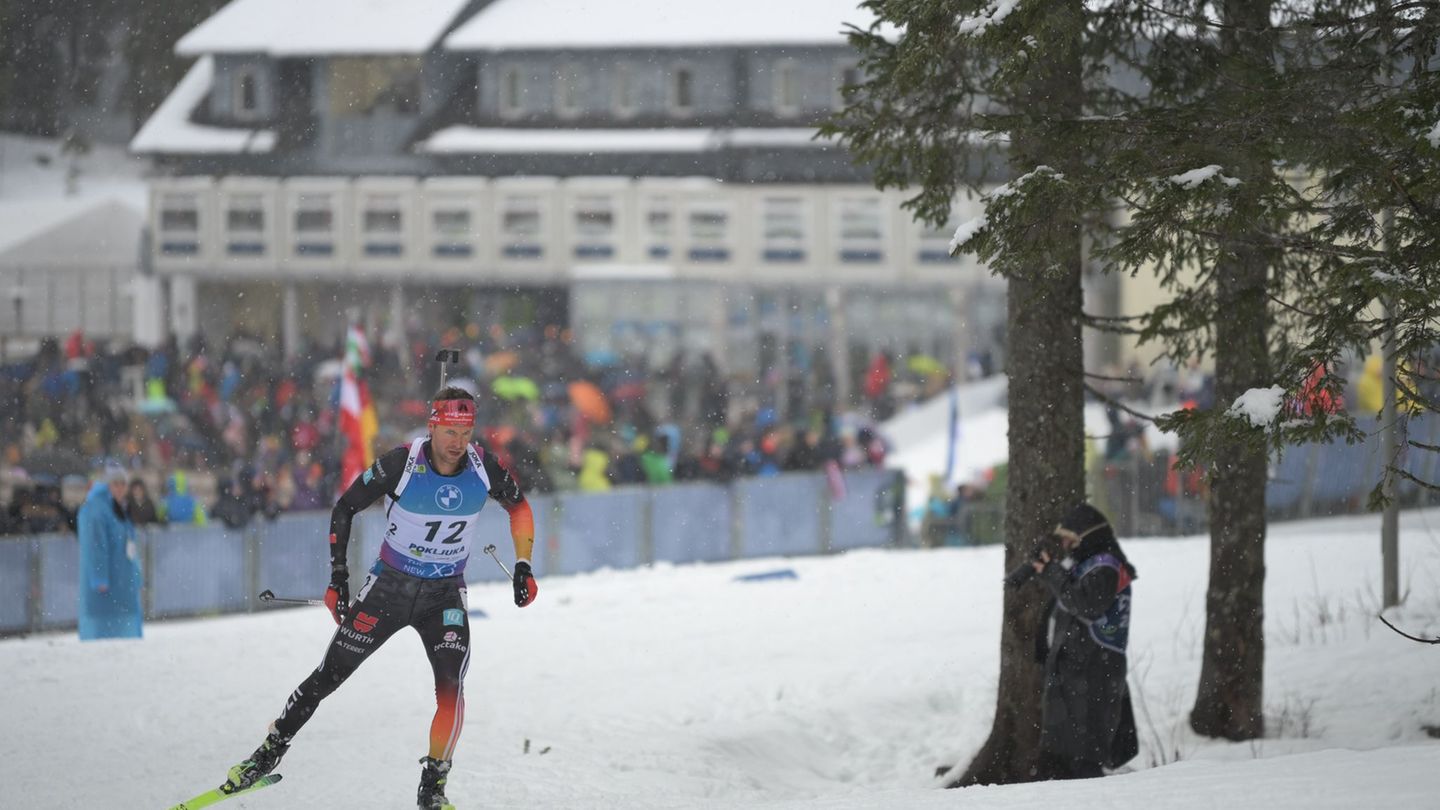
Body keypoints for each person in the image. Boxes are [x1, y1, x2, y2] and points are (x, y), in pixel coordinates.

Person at [222, 386, 539, 809]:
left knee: (451, 687)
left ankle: (433, 788)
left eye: (465, 433)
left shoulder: (483, 467)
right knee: (328, 676)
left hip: (444, 593)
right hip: (389, 587)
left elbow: (519, 508)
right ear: (433, 427)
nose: (457, 443)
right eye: (449, 432)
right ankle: (267, 752)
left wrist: (523, 565)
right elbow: (344, 508)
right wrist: (338, 578)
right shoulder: (403, 463)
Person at [1029, 502, 1138, 780]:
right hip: (1076, 673)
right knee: (1064, 755)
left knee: (1085, 759)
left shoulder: (1106, 566)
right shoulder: (1085, 565)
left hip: (1093, 674)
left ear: (1085, 536)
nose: (1066, 544)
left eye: (1070, 538)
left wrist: (1053, 573)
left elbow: (1086, 605)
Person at [77, 462, 142, 640]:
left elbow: (130, 546)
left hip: (121, 583)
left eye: (123, 484)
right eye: (115, 483)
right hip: (106, 590)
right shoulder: (96, 509)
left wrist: (136, 575)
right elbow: (95, 546)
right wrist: (100, 578)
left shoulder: (120, 507)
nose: (120, 488)